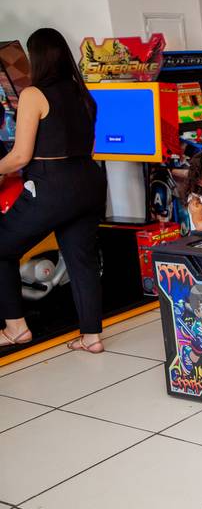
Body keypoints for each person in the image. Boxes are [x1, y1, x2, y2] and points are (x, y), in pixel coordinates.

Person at [0, 28, 107, 352]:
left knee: (2, 247)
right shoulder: (82, 92)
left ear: (37, 57)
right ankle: (92, 337)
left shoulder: (34, 94)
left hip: (53, 185)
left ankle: (16, 328)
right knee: (81, 259)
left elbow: (20, 156)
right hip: (89, 181)